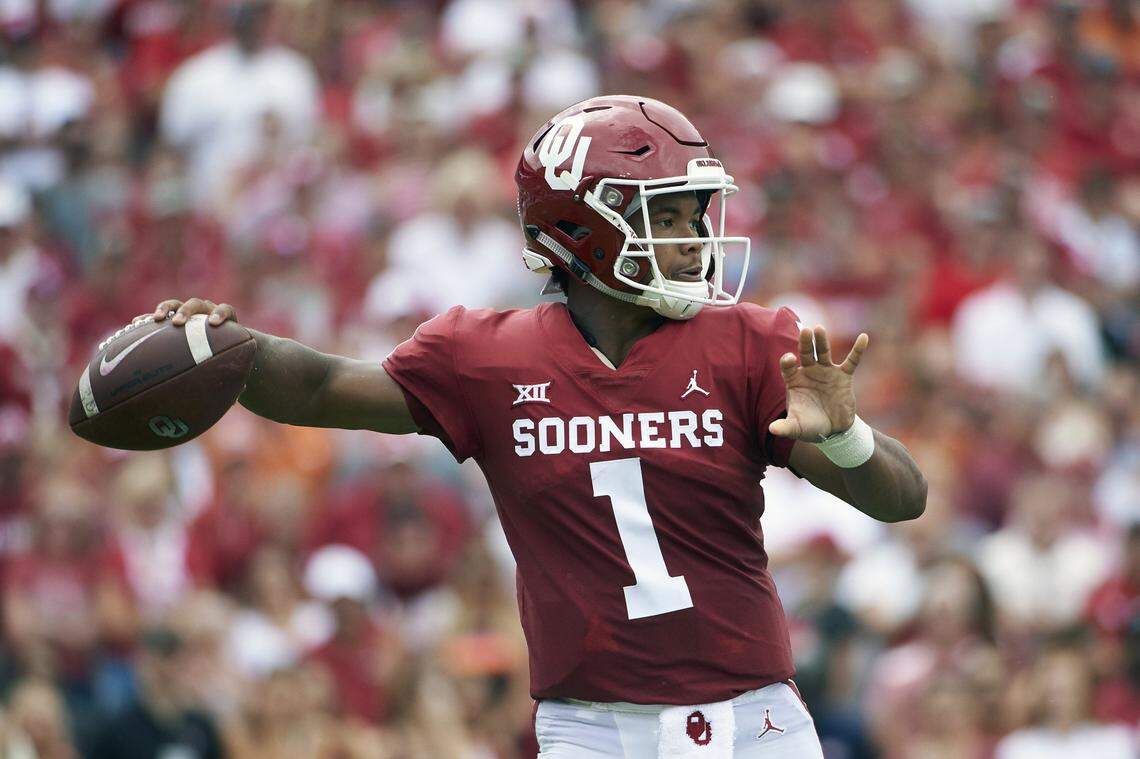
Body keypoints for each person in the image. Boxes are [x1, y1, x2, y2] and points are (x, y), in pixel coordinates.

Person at [150, 95, 926, 758]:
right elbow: (323, 387)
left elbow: (902, 499)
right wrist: (228, 351)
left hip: (753, 722)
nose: (697, 239)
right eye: (672, 215)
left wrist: (844, 435)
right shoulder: (486, 357)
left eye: (696, 214)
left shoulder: (753, 343)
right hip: (589, 728)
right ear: (589, 229)